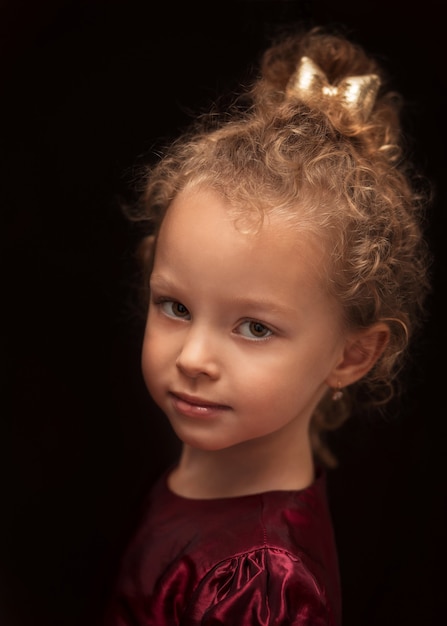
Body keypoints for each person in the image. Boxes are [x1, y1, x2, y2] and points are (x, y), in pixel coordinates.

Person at [103, 24, 432, 626]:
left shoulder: (261, 583)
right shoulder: (207, 470)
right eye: (175, 307)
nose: (193, 357)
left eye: (254, 328)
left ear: (352, 356)